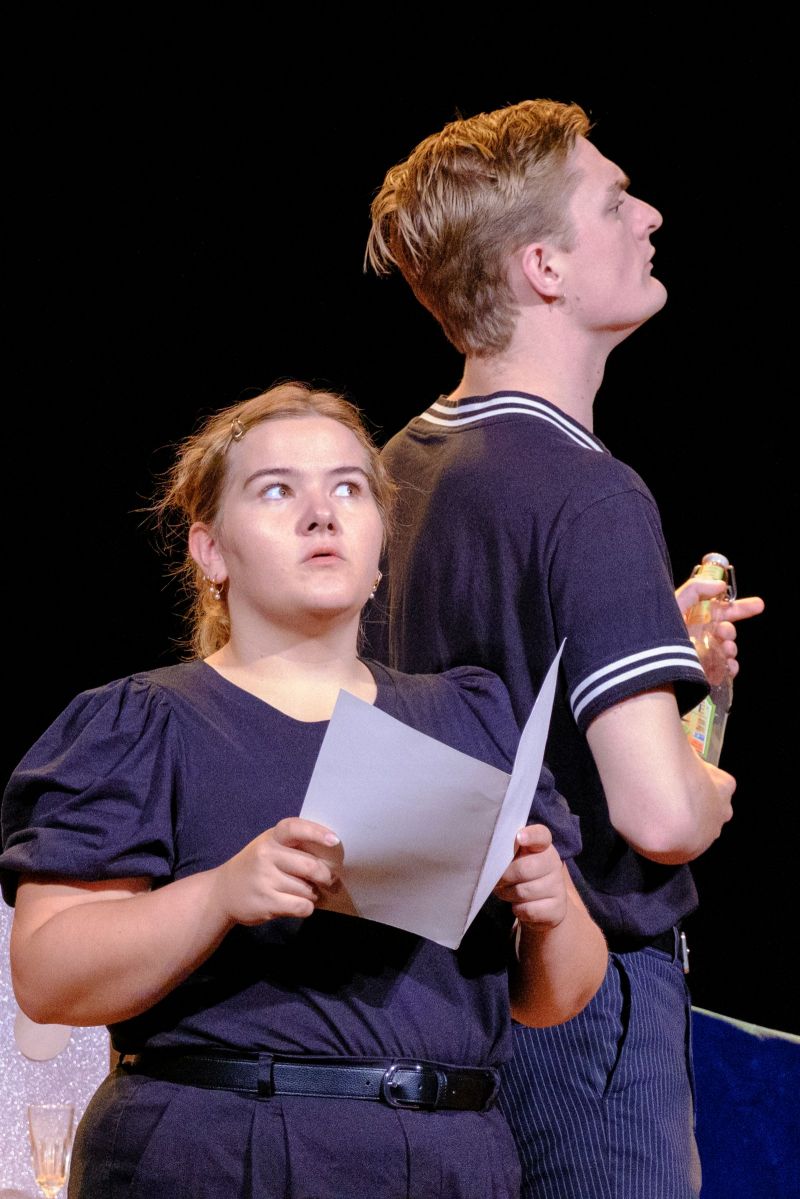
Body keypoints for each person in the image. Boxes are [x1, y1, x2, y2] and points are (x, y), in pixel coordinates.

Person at [0, 382, 607, 1199]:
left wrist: (552, 906)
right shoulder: (145, 724)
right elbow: (48, 973)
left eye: (348, 488)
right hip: (219, 1153)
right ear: (210, 551)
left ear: (380, 547)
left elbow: (553, 998)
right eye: (277, 489)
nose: (322, 513)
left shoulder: (472, 716)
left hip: (449, 1161)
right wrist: (220, 894)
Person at [365, 100, 765, 1199]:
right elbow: (659, 818)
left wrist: (649, 639)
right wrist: (708, 779)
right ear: (542, 265)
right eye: (613, 199)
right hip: (583, 1011)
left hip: (430, 1001)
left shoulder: (397, 467)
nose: (649, 215)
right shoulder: (587, 491)